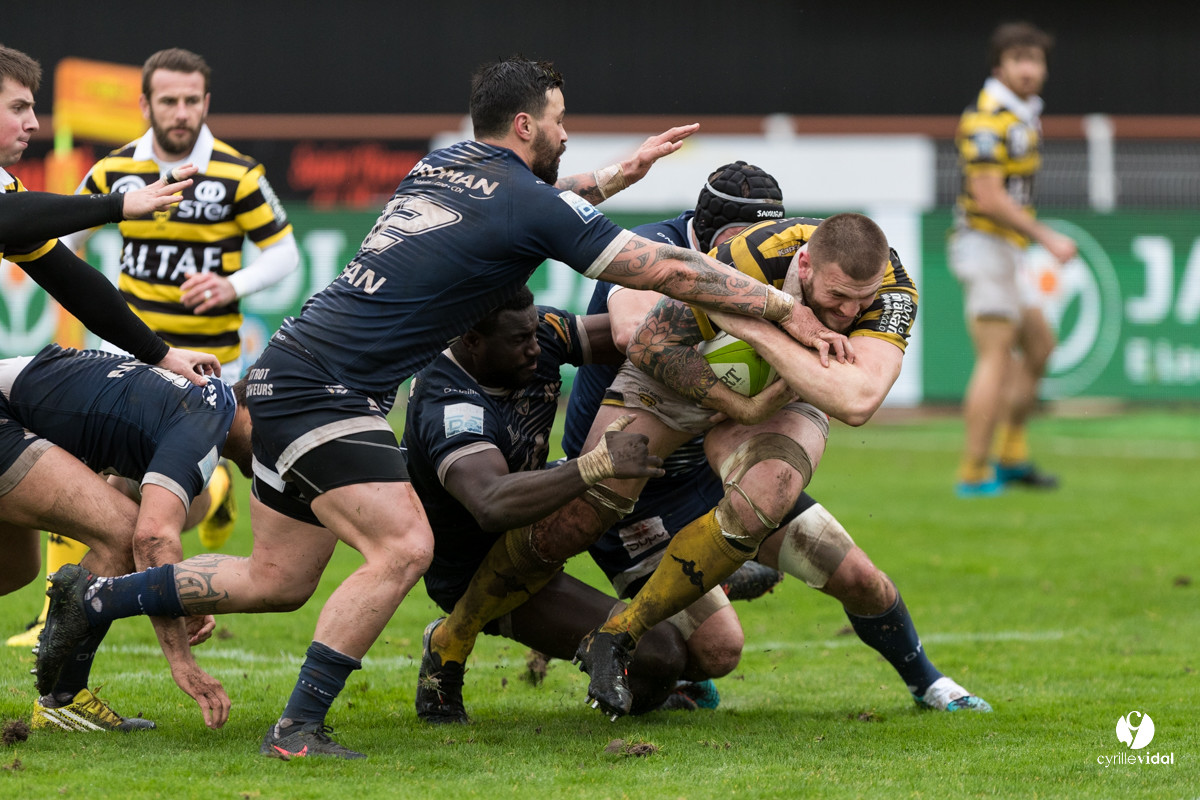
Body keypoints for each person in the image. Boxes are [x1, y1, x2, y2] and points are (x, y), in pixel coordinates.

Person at [37, 56, 844, 760]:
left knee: (278, 579)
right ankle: (297, 728)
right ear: (527, 124)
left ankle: (95, 599)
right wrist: (780, 309)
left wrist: (603, 182)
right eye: (562, 122)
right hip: (331, 392)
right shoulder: (526, 199)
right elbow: (661, 268)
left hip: (285, 372)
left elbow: (525, 206)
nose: (568, 135)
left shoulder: (445, 165)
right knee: (403, 546)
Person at [564, 163, 991, 715]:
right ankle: (466, 633)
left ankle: (928, 683)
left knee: (859, 576)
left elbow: (856, 397)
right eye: (740, 239)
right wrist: (761, 317)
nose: (757, 249)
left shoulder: (821, 270)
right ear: (708, 233)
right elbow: (631, 334)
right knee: (717, 650)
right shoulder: (656, 247)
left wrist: (769, 336)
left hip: (707, 467)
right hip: (638, 479)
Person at [405, 286, 704, 722]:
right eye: (518, 341)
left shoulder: (534, 331)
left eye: (534, 335)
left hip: (541, 523)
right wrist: (593, 465)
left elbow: (637, 335)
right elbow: (490, 504)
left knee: (707, 651)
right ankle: (448, 640)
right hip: (474, 566)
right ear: (471, 340)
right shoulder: (451, 405)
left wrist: (726, 322)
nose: (535, 349)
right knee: (661, 659)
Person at [58, 47, 298, 550]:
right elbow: (61, 242)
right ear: (145, 106)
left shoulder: (238, 172)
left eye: (192, 100)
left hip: (213, 367)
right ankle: (64, 604)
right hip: (135, 355)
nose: (182, 112)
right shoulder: (115, 168)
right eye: (169, 101)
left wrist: (232, 285)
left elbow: (285, 254)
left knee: (164, 496)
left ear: (206, 102)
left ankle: (215, 492)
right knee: (96, 475)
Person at [0, 344, 251, 731]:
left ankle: (61, 701)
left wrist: (180, 597)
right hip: (8, 414)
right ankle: (63, 702)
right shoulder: (204, 424)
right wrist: (182, 662)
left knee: (13, 570)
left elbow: (129, 501)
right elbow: (149, 538)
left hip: (16, 409)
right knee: (119, 533)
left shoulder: (201, 404)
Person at [0, 44, 218, 384]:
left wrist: (161, 354)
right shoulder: (10, 206)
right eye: (18, 108)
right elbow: (6, 217)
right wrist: (117, 204)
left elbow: (73, 282)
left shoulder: (7, 187)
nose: (33, 123)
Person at [949, 22, 1074, 497]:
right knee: (995, 356)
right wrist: (1047, 236)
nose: (1029, 68)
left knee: (1039, 345)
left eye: (1036, 60)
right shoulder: (987, 119)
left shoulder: (1023, 113)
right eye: (1019, 59)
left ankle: (1011, 454)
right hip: (983, 244)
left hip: (1005, 250)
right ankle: (974, 471)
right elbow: (988, 196)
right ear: (1000, 67)